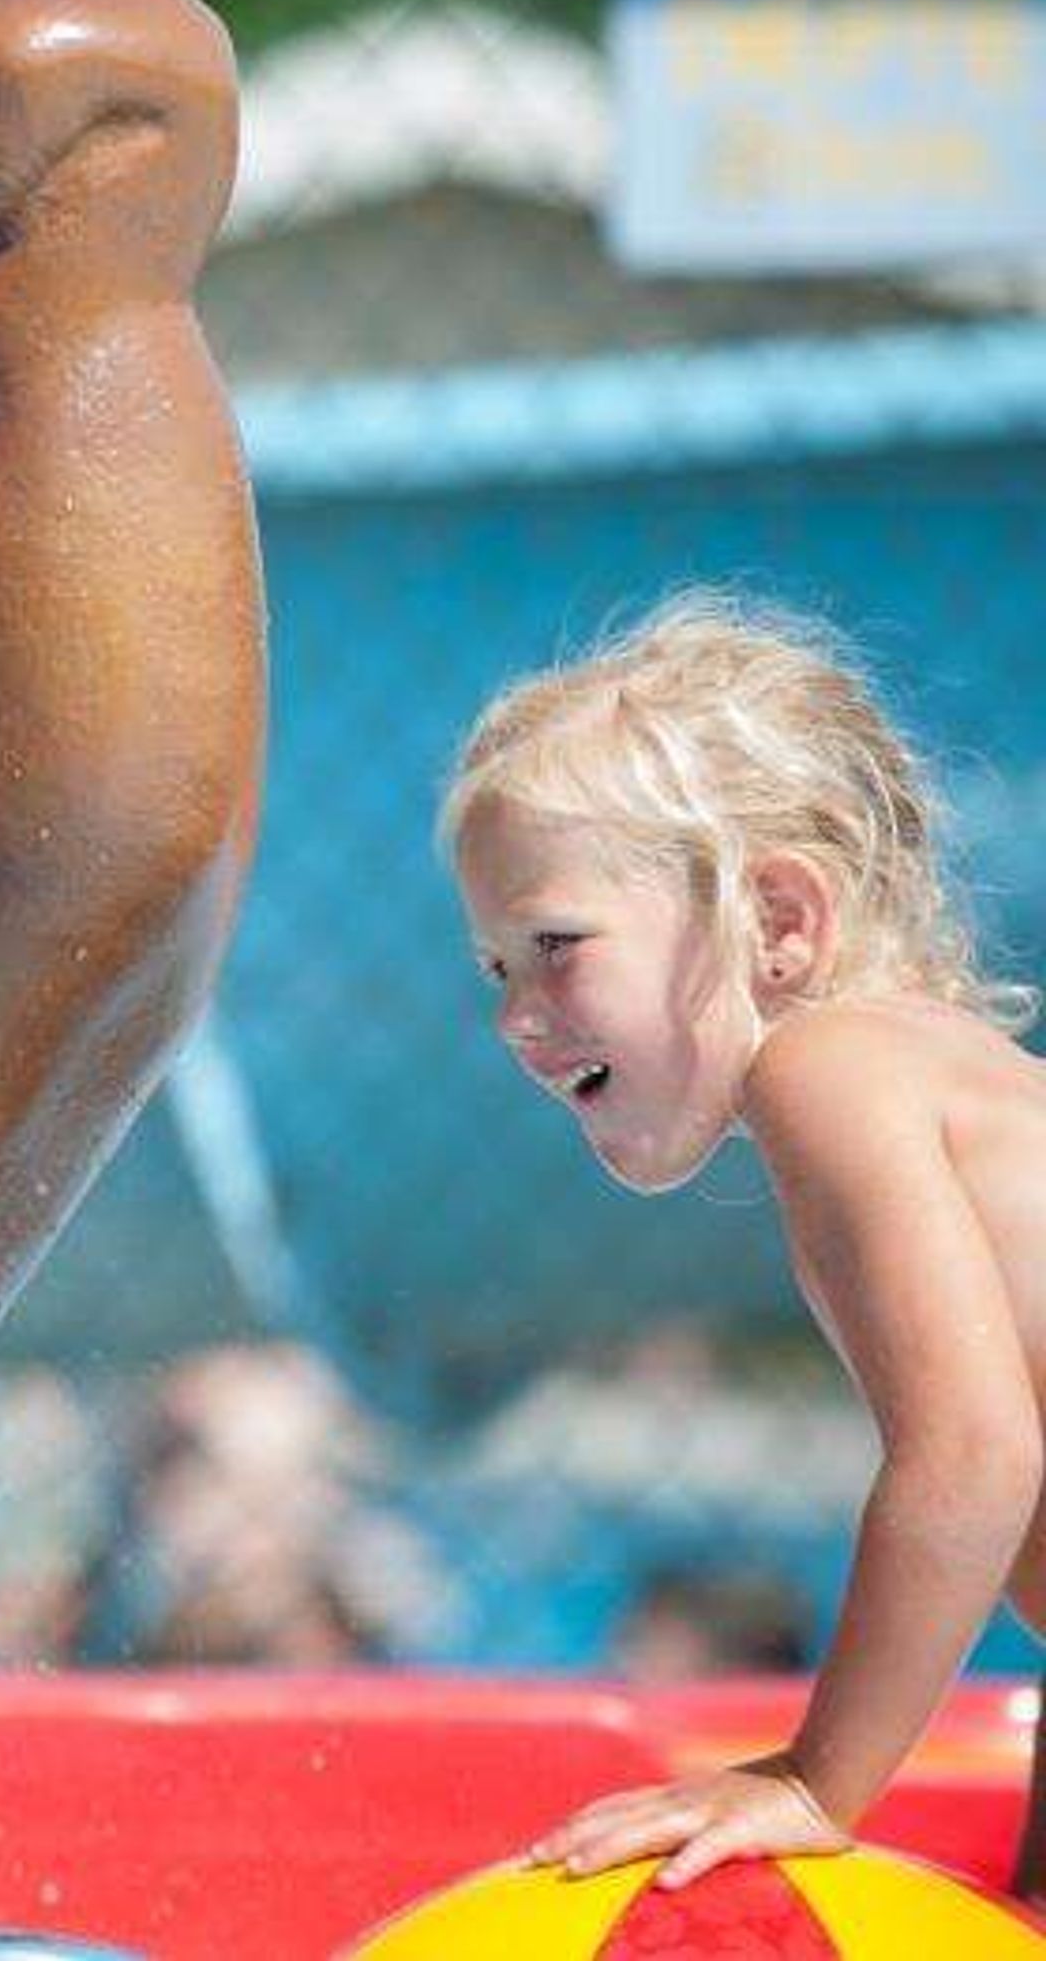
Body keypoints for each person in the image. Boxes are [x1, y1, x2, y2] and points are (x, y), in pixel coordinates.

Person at [442, 588, 1046, 1895]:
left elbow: (979, 1456)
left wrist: (819, 1777)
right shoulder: (936, 1082)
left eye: (556, 947)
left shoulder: (828, 1072)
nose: (518, 1019)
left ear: (778, 920)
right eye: (496, 969)